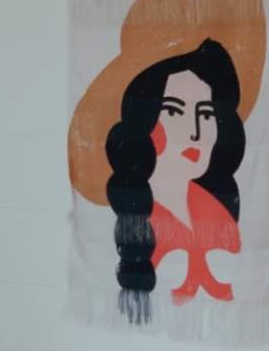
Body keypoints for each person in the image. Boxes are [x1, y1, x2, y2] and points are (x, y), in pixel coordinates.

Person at [103, 40, 246, 325]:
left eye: (205, 114)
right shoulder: (136, 215)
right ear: (144, 122)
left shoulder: (216, 209)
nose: (193, 133)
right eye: (174, 112)